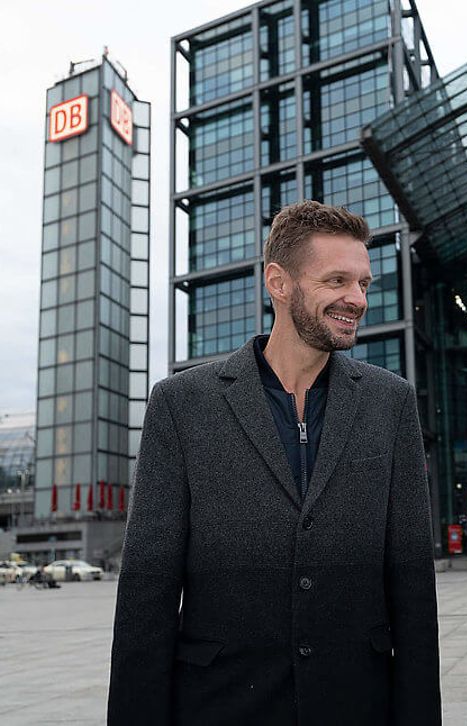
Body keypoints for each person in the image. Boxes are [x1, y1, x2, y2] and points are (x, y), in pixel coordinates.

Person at [108, 201, 441, 725]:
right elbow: (146, 592)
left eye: (363, 283)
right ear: (279, 283)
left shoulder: (390, 400)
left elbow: (413, 586)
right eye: (337, 281)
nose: (357, 299)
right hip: (221, 708)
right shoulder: (181, 404)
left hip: (356, 707)